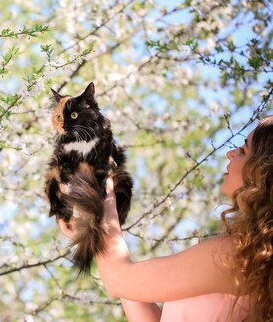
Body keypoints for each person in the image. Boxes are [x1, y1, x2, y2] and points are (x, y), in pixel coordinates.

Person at [58, 115, 273, 322]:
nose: (231, 153)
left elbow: (118, 279)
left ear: (263, 172)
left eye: (244, 150)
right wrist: (96, 228)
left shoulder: (238, 255)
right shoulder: (253, 256)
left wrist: (102, 206)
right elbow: (127, 287)